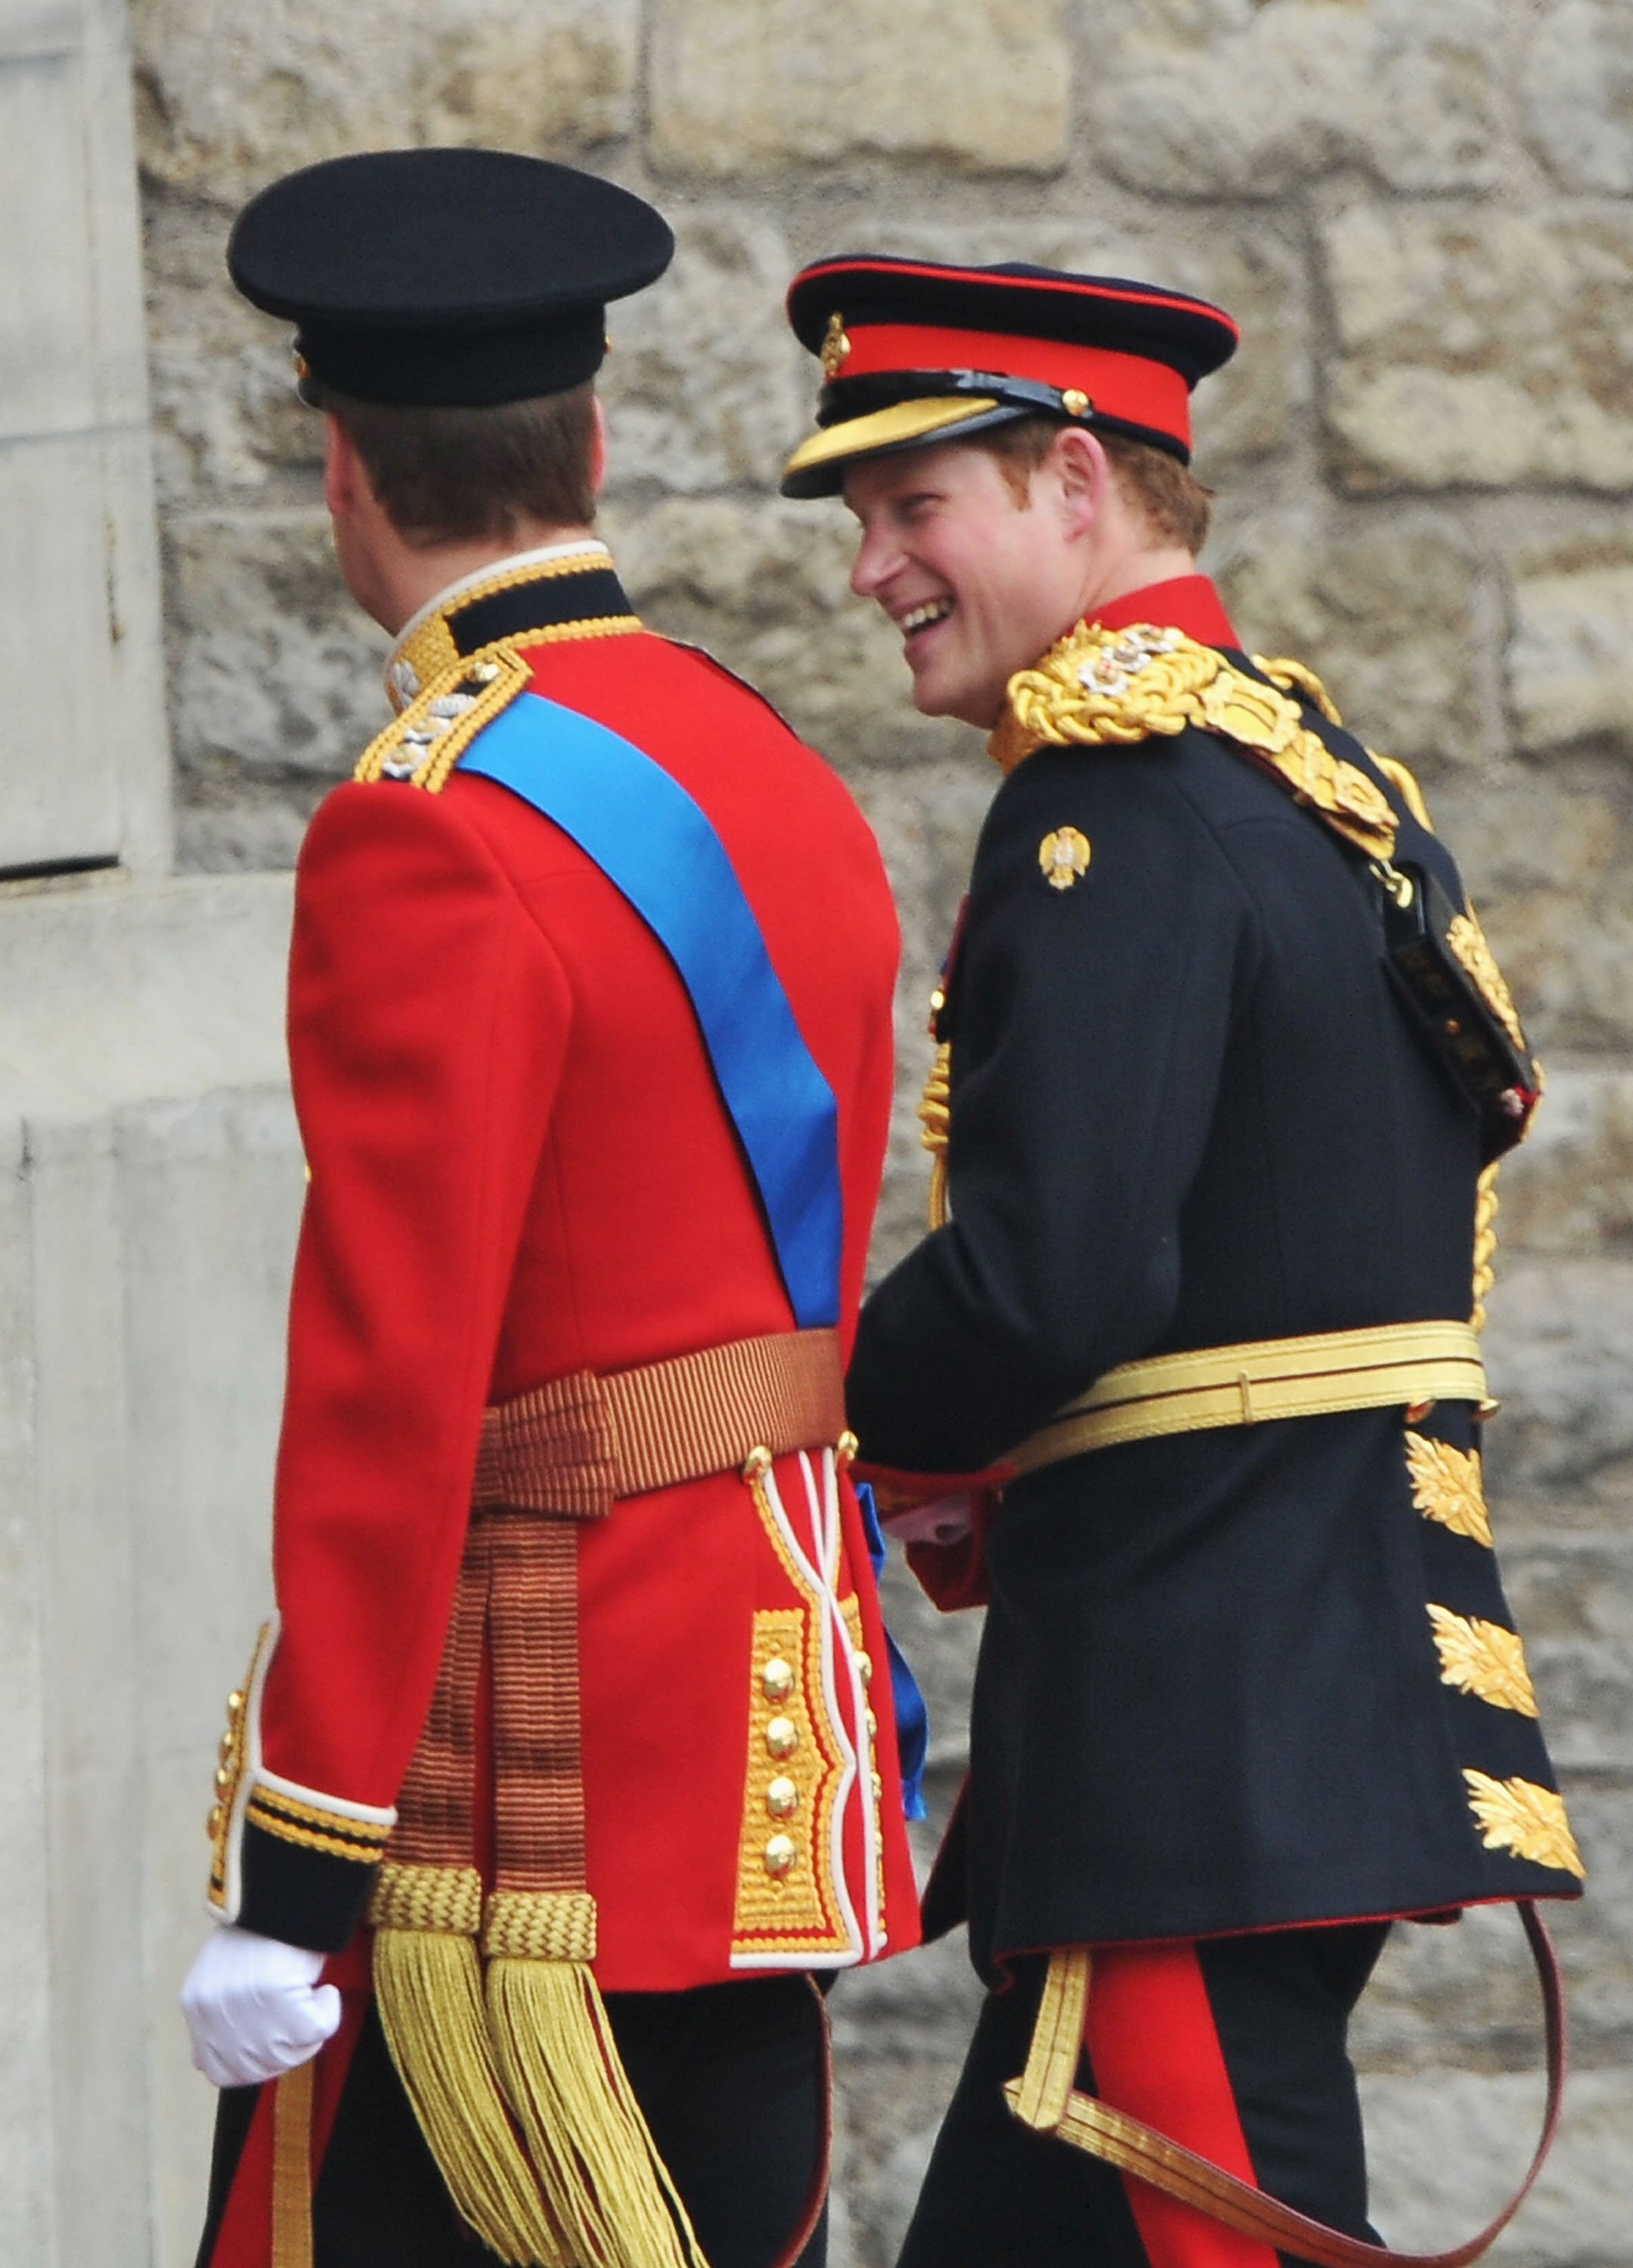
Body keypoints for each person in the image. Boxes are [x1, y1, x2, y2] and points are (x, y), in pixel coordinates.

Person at [779, 253, 1583, 2268]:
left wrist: (826, 1413)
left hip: (1196, 1735)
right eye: (867, 521)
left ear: (1073, 482)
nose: (874, 568)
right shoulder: (1301, 779)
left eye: (913, 509)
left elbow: (1059, 1285)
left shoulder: (1118, 816)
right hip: (1248, 1711)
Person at [179, 152, 923, 2268]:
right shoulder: (766, 757)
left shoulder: (423, 825)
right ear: (589, 442)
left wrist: (301, 1873)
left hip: (535, 1785)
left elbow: (392, 1379)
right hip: (771, 1709)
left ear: (345, 469)